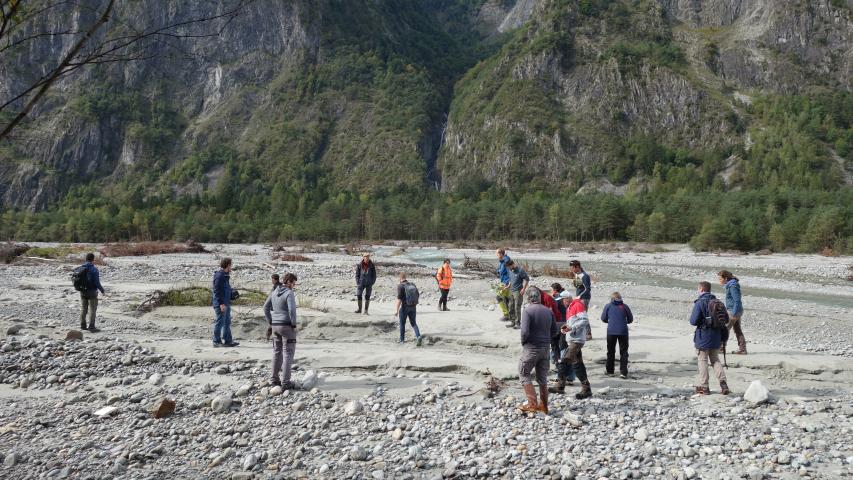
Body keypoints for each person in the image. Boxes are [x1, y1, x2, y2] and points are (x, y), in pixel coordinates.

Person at [517, 287, 559, 414]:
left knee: (524, 373)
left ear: (529, 298)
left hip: (532, 347)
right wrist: (546, 339)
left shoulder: (527, 311)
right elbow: (555, 331)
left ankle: (532, 404)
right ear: (539, 298)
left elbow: (524, 331)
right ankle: (544, 406)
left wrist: (524, 342)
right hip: (545, 348)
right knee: (542, 378)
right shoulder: (548, 311)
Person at [689, 281, 730, 395]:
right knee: (715, 359)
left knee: (702, 360)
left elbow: (693, 321)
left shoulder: (700, 302)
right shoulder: (719, 302)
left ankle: (705, 387)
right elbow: (726, 319)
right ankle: (723, 384)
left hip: (703, 336)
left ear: (701, 289)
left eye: (698, 289)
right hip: (717, 336)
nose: (698, 291)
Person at [264, 273, 298, 389]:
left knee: (277, 352)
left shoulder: (274, 292)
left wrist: (270, 321)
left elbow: (265, 307)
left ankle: (274, 380)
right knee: (288, 353)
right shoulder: (289, 293)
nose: (294, 285)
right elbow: (292, 310)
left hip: (275, 326)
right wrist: (294, 324)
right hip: (286, 326)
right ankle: (286, 383)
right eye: (293, 283)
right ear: (288, 282)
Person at [561, 295, 592, 399]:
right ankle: (586, 389)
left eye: (562, 300)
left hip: (577, 340)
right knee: (578, 363)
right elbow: (572, 322)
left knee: (565, 361)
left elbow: (584, 320)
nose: (562, 302)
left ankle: (560, 386)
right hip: (573, 339)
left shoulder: (577, 305)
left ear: (567, 299)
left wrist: (571, 328)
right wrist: (566, 328)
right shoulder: (570, 307)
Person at [601, 292, 633, 379]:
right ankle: (623, 372)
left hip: (611, 331)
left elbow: (603, 318)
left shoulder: (608, 306)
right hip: (623, 331)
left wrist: (611, 321)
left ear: (612, 299)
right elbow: (630, 319)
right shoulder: (625, 306)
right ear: (620, 298)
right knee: (624, 352)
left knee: (611, 351)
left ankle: (610, 371)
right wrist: (623, 321)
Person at [212, 258, 239, 347]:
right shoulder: (219, 276)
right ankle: (216, 341)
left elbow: (225, 289)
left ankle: (228, 341)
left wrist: (232, 294)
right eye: (231, 265)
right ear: (228, 265)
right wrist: (221, 304)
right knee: (220, 322)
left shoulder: (225, 275)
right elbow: (216, 291)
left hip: (226, 303)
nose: (231, 267)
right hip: (221, 304)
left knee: (227, 322)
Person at [719, 270, 746, 355]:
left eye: (720, 279)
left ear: (726, 278)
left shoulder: (733, 286)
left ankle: (721, 348)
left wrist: (734, 314)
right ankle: (742, 349)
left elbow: (737, 300)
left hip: (733, 311)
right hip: (736, 310)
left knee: (725, 329)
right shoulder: (731, 285)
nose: (719, 281)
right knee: (737, 330)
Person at [78, 253, 105, 333]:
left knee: (84, 308)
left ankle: (83, 325)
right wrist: (102, 290)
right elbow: (97, 282)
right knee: (92, 309)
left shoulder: (81, 268)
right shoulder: (94, 269)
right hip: (92, 291)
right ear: (93, 259)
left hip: (82, 291)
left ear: (86, 259)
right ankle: (91, 326)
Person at [395, 272, 422, 346]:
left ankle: (402, 340)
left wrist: (397, 310)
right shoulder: (412, 284)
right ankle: (418, 336)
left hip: (404, 307)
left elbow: (399, 300)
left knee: (402, 323)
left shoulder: (400, 286)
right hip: (413, 306)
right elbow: (417, 295)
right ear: (405, 277)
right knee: (413, 323)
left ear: (400, 278)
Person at [569, 259, 592, 339]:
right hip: (579, 297)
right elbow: (578, 286)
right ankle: (582, 333)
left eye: (572, 268)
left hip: (584, 298)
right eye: (571, 267)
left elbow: (587, 289)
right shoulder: (576, 274)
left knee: (583, 316)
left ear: (577, 267)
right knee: (578, 315)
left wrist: (579, 296)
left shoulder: (584, 276)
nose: (571, 269)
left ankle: (588, 334)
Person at [506, 260, 529, 329]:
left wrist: (523, 289)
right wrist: (508, 285)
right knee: (510, 306)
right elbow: (511, 279)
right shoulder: (510, 270)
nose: (509, 268)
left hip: (518, 291)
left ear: (513, 264)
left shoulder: (520, 270)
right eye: (508, 267)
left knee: (517, 307)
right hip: (511, 290)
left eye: (509, 267)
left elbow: (527, 279)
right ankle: (512, 322)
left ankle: (517, 323)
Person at [495, 249, 512, 321]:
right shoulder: (502, 261)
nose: (496, 255)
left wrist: (509, 283)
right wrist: (498, 271)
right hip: (504, 282)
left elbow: (510, 271)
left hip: (506, 282)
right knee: (506, 298)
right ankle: (509, 315)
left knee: (499, 297)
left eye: (497, 253)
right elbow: (501, 270)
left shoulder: (506, 260)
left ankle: (506, 315)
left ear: (501, 254)